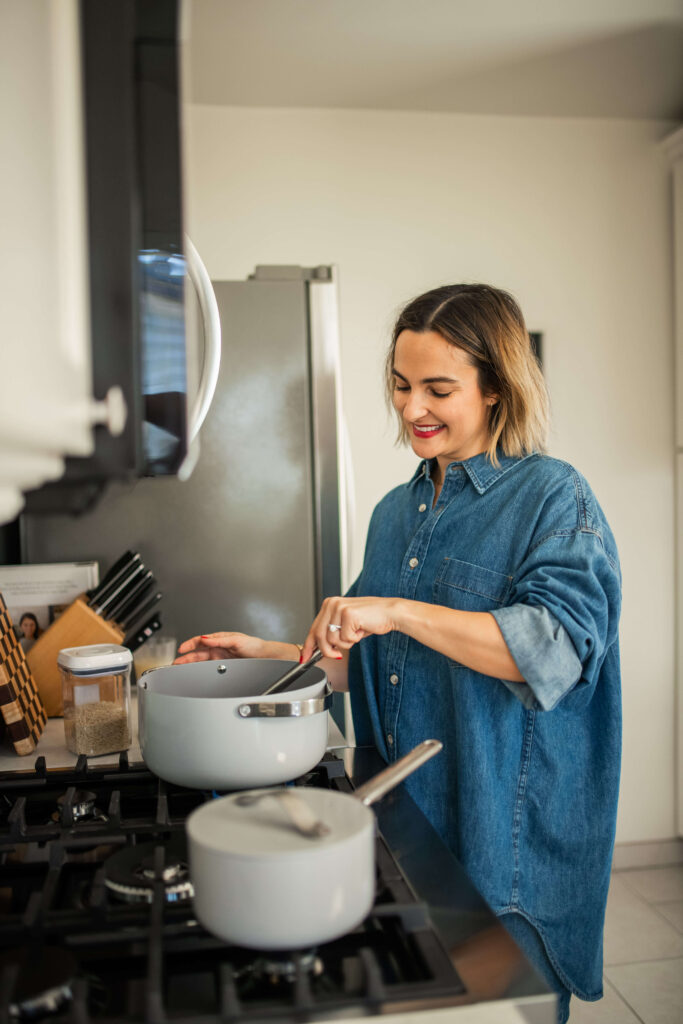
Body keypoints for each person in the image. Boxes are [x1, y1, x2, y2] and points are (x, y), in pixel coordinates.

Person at [176, 283, 621, 1023]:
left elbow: (552, 652)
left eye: (438, 389)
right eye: (400, 384)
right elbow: (382, 667)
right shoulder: (396, 511)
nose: (411, 408)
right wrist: (273, 654)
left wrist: (396, 611)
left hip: (504, 858)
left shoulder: (553, 498)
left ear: (495, 389)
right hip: (404, 831)